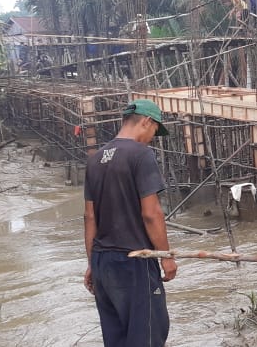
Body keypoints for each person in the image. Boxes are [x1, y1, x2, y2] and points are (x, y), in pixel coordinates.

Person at [84, 99, 175, 347]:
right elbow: (151, 213)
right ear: (146, 121)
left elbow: (90, 217)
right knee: (148, 334)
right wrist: (166, 256)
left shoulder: (95, 160)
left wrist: (92, 263)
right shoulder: (141, 154)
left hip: (103, 262)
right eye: (155, 130)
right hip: (135, 260)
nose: (152, 137)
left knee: (116, 338)